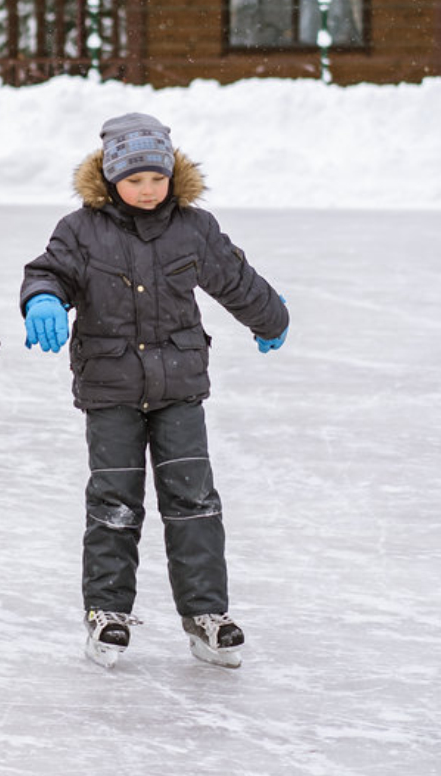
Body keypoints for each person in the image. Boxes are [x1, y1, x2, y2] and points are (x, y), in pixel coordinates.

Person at [19, 113, 287, 670]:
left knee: (194, 502)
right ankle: (107, 613)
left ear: (172, 174)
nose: (147, 190)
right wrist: (42, 298)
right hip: (110, 388)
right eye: (135, 180)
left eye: (156, 179)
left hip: (179, 386)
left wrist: (270, 317)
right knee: (115, 504)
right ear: (112, 177)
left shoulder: (193, 227)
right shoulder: (80, 229)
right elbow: (51, 272)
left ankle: (207, 616)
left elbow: (234, 278)